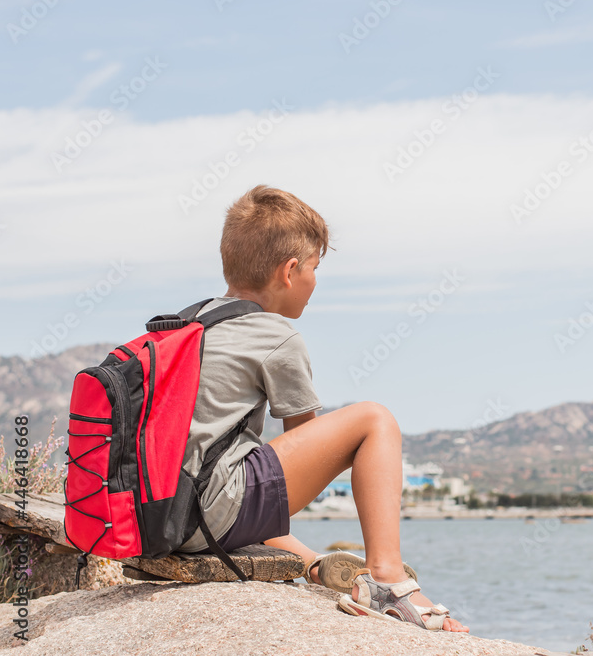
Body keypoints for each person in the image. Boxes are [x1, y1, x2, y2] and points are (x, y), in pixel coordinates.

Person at [176, 184, 468, 632]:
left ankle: (315, 567)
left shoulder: (186, 326)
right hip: (210, 514)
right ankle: (388, 579)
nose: (315, 281)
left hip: (161, 517)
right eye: (315, 267)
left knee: (241, 481)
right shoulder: (276, 336)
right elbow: (303, 448)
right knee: (375, 420)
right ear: (290, 271)